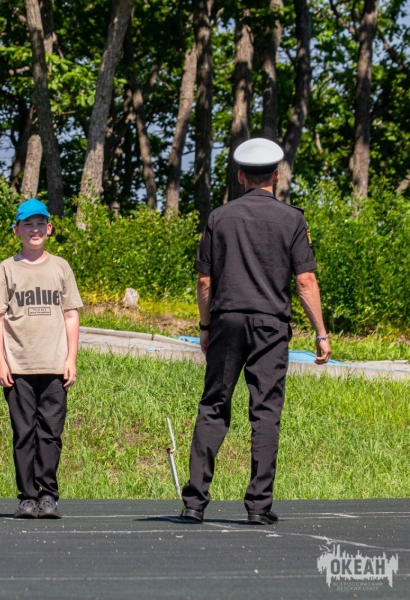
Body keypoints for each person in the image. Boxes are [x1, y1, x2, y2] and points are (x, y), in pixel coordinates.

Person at [179, 138, 331, 525]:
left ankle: (195, 501)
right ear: (276, 176)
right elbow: (306, 281)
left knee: (214, 406)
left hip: (227, 320)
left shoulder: (219, 218)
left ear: (241, 176)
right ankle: (259, 506)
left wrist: (205, 326)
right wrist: (321, 332)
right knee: (265, 412)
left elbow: (204, 281)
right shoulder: (292, 219)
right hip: (270, 325)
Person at [0, 199, 83, 519]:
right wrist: (1, 361)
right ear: (16, 230)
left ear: (49, 228)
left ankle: (48, 496)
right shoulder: (7, 268)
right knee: (24, 433)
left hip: (55, 366)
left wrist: (71, 358)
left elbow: (71, 315)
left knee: (50, 434)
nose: (35, 229)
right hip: (19, 367)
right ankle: (27, 497)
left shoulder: (61, 267)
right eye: (27, 224)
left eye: (40, 223)